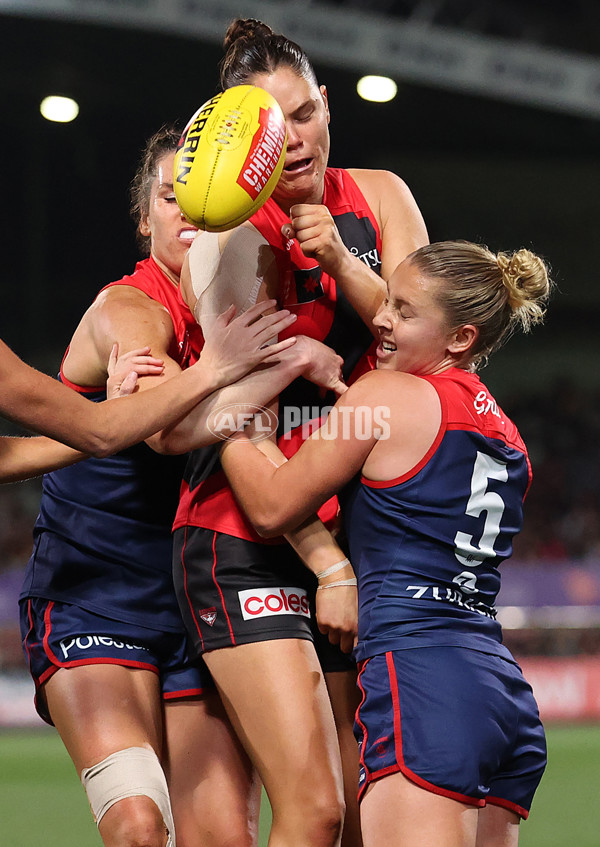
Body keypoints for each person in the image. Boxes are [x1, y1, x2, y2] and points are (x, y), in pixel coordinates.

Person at [17, 125, 343, 847]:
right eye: (173, 194)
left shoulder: (236, 308)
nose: (193, 207)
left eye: (209, 192)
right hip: (94, 596)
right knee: (139, 827)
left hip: (196, 601)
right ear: (146, 218)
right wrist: (277, 363)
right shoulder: (128, 308)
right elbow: (164, 429)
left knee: (222, 836)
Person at [171, 17, 429, 847]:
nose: (294, 141)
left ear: (327, 106)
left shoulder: (382, 196)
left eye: (305, 114)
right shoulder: (227, 242)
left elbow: (436, 358)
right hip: (245, 530)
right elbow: (236, 432)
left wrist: (347, 265)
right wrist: (329, 564)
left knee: (359, 812)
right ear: (241, 146)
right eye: (268, 129)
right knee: (313, 808)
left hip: (361, 532)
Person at [219, 240, 550, 847]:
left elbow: (271, 507)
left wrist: (231, 424)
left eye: (404, 309)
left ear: (460, 339)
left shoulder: (385, 396)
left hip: (422, 676)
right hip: (498, 692)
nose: (380, 318)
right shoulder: (507, 432)